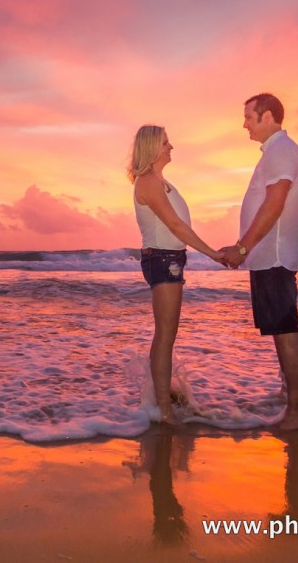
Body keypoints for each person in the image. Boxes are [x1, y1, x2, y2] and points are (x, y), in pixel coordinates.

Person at [220, 93, 298, 430]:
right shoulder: (276, 152)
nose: (244, 123)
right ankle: (290, 402)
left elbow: (274, 205)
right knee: (279, 332)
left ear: (267, 116)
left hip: (272, 258)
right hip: (267, 259)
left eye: (249, 116)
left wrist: (242, 249)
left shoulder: (281, 151)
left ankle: (297, 414)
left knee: (286, 332)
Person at [130, 125, 226, 425]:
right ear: (151, 148)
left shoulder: (161, 181)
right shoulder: (147, 182)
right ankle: (163, 410)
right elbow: (175, 225)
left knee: (167, 335)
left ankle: (162, 399)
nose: (171, 147)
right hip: (163, 259)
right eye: (165, 143)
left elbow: (177, 226)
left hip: (171, 259)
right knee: (165, 336)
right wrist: (212, 253)